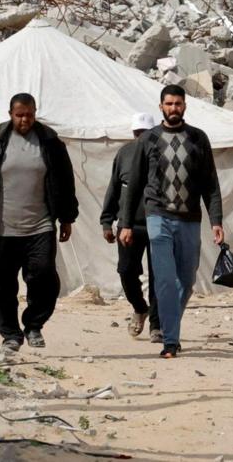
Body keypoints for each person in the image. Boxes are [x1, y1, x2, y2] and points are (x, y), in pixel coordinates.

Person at [0, 93, 78, 352]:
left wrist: (67, 217)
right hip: (0, 229)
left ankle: (33, 324)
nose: (25, 120)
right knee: (2, 284)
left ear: (36, 113)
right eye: (20, 115)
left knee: (45, 277)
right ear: (10, 114)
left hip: (40, 226)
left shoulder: (49, 141)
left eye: (29, 115)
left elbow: (64, 180)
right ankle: (11, 334)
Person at [119, 84, 224, 359]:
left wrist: (216, 220)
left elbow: (210, 183)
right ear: (161, 107)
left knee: (186, 281)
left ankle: (168, 323)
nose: (173, 108)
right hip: (158, 216)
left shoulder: (197, 138)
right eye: (169, 104)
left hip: (189, 218)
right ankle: (170, 340)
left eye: (178, 104)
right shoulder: (149, 139)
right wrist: (125, 223)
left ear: (185, 106)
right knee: (164, 279)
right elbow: (134, 185)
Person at [101, 113, 162, 343]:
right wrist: (107, 221)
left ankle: (157, 326)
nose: (141, 137)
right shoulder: (124, 154)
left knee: (159, 276)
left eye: (145, 133)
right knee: (126, 271)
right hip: (129, 225)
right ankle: (139, 307)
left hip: (159, 224)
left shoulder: (165, 154)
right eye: (138, 133)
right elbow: (114, 187)